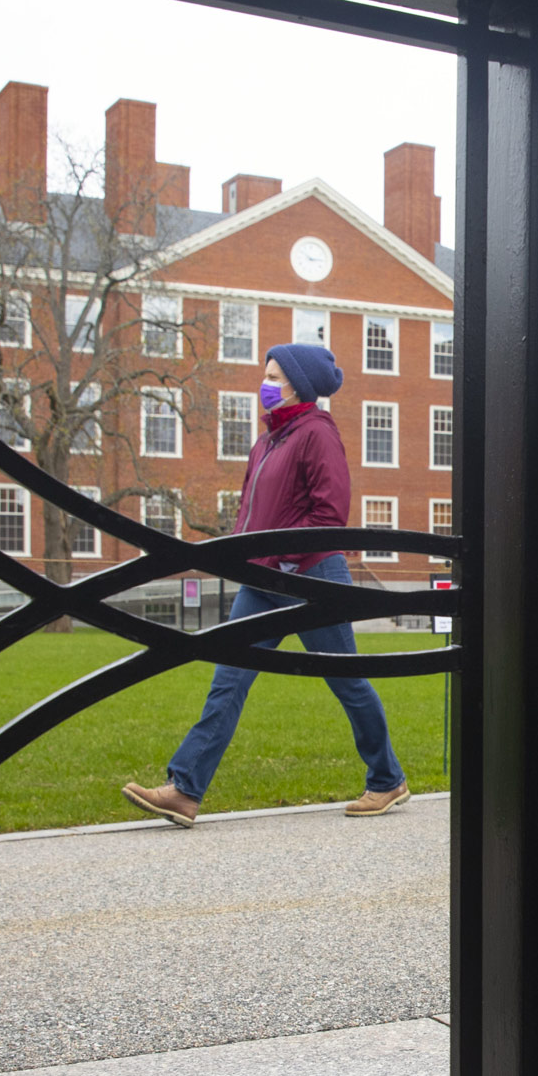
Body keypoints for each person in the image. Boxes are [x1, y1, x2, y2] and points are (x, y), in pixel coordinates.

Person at [122, 343, 410, 825]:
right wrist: (241, 557)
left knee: (348, 682)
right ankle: (185, 789)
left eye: (275, 375)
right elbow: (248, 515)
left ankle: (386, 779)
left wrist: (288, 561)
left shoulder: (317, 433)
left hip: (311, 576)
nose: (266, 383)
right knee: (228, 680)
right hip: (260, 579)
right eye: (266, 375)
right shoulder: (266, 441)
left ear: (298, 384)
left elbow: (330, 512)